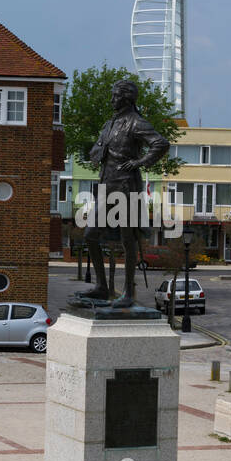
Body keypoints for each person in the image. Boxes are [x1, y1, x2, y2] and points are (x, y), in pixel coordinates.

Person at [79, 78, 170, 308]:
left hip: (126, 186)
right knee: (90, 234)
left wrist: (139, 162)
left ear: (127, 98)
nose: (112, 99)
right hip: (106, 185)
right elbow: (99, 150)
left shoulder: (136, 122)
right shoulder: (110, 123)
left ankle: (129, 293)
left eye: (116, 95)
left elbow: (161, 144)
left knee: (128, 239)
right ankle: (101, 287)